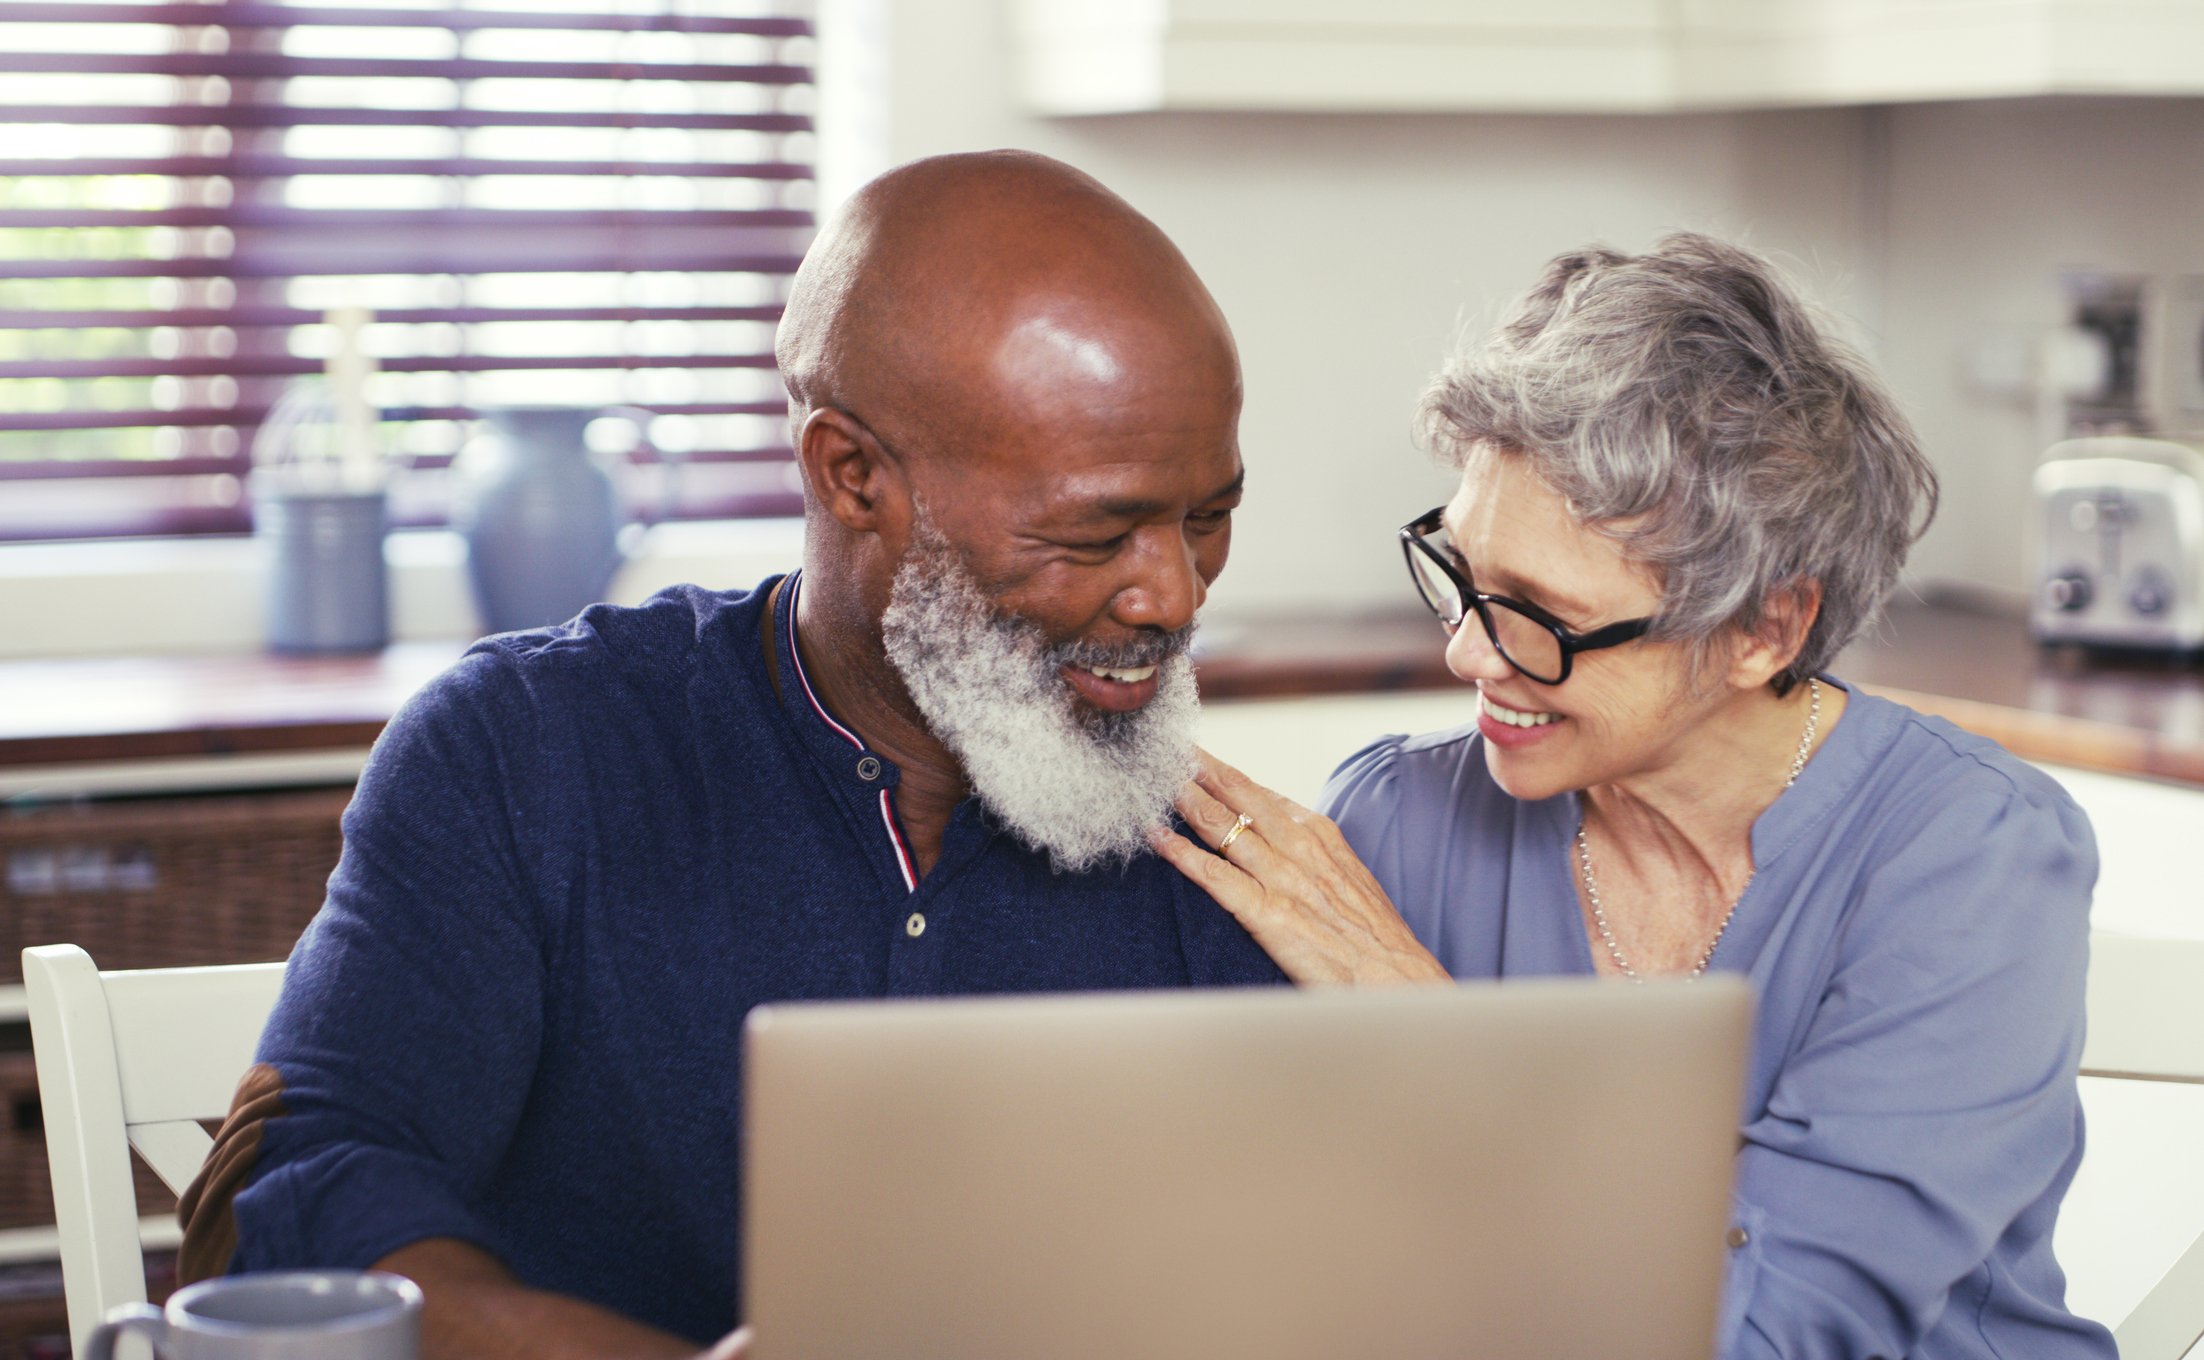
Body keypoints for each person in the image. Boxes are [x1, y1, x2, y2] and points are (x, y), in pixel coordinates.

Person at [176, 149, 1286, 1360]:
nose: (1171, 594)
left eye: (1206, 516)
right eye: (1096, 532)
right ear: (850, 474)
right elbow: (300, 1197)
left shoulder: (1226, 865)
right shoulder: (528, 754)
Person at [1151, 234, 2117, 1359]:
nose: (1466, 653)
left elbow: (1774, 1336)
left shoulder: (1969, 859)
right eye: (1459, 572)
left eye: (1540, 615)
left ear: (1764, 628)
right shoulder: (1396, 823)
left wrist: (1430, 1029)